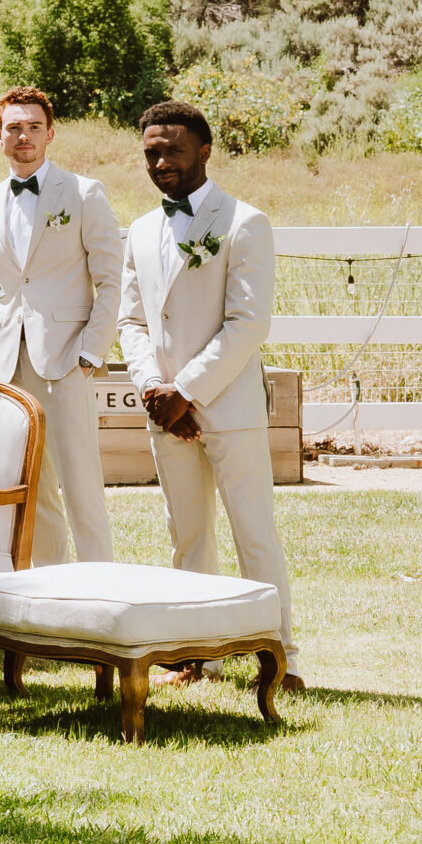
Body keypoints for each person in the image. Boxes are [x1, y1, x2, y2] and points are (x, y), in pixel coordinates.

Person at [119, 99, 304, 691]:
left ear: (204, 150)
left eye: (172, 148)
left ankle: (281, 657)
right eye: (151, 151)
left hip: (228, 406)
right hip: (163, 413)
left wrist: (186, 391)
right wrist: (153, 388)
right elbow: (132, 322)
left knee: (255, 534)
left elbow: (248, 323)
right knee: (188, 535)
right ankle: (198, 656)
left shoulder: (244, 221)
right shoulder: (142, 230)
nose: (161, 160)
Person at [0, 85, 122, 565]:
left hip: (65, 359)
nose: (24, 136)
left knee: (81, 484)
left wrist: (90, 354)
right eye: (13, 127)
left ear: (50, 133)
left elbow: (111, 282)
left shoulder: (83, 192)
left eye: (34, 127)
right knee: (31, 485)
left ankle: (102, 598)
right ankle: (55, 595)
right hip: (6, 363)